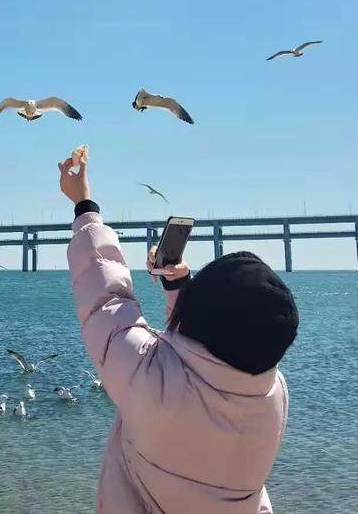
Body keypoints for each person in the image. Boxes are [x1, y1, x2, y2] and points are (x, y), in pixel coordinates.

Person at [58, 156, 299, 514]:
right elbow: (202, 351)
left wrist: (85, 208)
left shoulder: (151, 380)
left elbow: (106, 300)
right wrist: (180, 285)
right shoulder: (273, 394)